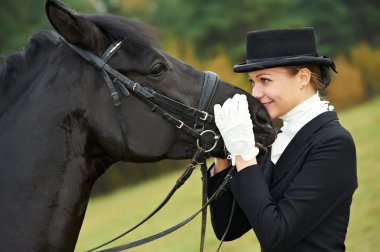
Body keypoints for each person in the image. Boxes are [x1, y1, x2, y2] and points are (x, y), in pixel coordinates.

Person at [208, 27, 358, 251]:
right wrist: (224, 154)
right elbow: (229, 229)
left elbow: (276, 234)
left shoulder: (334, 143)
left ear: (303, 78)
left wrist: (244, 156)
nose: (256, 93)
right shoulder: (277, 139)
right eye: (252, 82)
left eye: (265, 80)